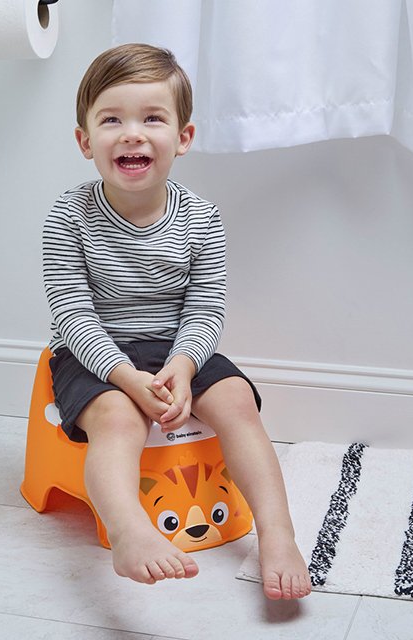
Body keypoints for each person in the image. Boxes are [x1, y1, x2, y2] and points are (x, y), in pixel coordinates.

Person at [42, 43, 311, 600]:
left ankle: (277, 533)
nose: (132, 133)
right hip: (95, 351)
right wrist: (123, 376)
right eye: (111, 119)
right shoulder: (68, 215)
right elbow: (71, 313)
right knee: (118, 420)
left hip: (179, 346)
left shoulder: (200, 217)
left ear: (182, 138)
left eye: (153, 118)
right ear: (85, 140)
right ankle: (129, 531)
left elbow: (206, 307)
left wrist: (184, 367)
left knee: (237, 402)